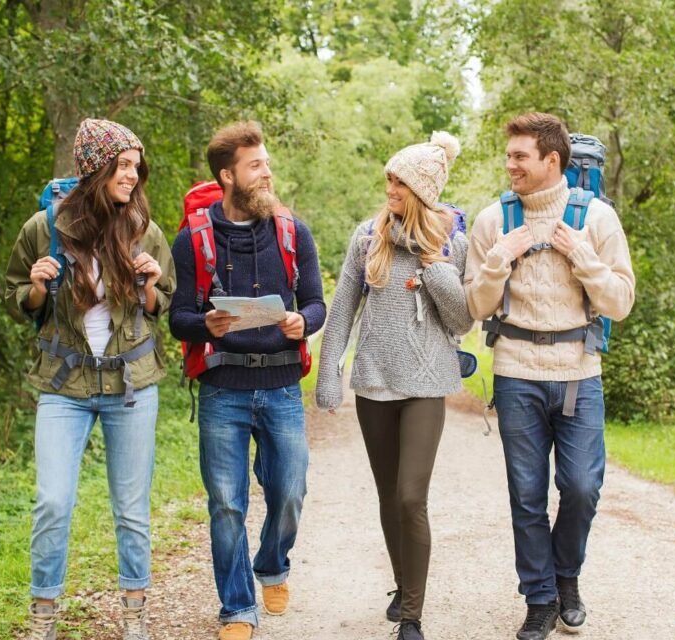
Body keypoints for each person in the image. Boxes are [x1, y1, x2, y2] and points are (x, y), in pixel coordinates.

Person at [463, 112, 635, 639]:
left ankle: (567, 577)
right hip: (516, 371)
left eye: (520, 156)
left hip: (579, 372)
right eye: (509, 154)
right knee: (527, 493)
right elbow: (474, 303)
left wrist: (584, 259)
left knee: (581, 488)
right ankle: (539, 599)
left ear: (551, 161)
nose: (509, 163)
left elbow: (621, 302)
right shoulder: (494, 219)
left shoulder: (597, 219)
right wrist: (498, 262)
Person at [4, 118, 175, 640]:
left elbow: (159, 305)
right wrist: (35, 286)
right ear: (94, 168)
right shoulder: (45, 228)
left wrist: (148, 283)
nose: (132, 176)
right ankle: (43, 617)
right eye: (123, 166)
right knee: (53, 501)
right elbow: (19, 300)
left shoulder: (145, 230)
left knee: (131, 509)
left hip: (130, 386)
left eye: (135, 167)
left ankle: (134, 616)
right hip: (64, 387)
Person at [168, 121, 326, 640]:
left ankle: (274, 565)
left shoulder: (291, 232)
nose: (267, 172)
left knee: (289, 488)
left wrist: (305, 322)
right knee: (227, 503)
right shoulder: (193, 240)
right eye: (256, 165)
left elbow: (316, 304)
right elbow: (176, 319)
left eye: (266, 163)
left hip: (281, 385)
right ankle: (237, 608)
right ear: (228, 176)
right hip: (222, 389)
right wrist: (204, 324)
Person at [315, 132, 472, 640]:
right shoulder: (368, 237)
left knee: (410, 498)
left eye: (399, 181)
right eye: (388, 179)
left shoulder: (452, 243)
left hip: (427, 383)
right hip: (375, 382)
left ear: (422, 190)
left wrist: (435, 269)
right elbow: (342, 308)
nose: (390, 189)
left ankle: (412, 617)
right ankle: (404, 588)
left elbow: (462, 321)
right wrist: (328, 375)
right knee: (387, 495)